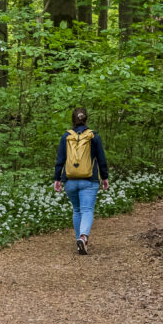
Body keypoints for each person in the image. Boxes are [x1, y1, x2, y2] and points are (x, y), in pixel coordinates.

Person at [53, 107, 109, 255]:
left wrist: (57, 178)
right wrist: (105, 177)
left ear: (73, 120)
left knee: (77, 210)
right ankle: (83, 237)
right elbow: (101, 159)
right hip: (89, 180)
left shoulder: (66, 136)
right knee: (87, 210)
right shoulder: (93, 136)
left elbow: (60, 159)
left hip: (70, 180)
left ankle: (79, 240)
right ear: (86, 119)